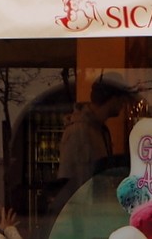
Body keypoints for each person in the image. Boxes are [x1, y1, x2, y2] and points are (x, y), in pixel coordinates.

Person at [56, 74, 137, 204]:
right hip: (84, 212)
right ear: (113, 98)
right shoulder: (78, 131)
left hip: (94, 210)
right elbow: (69, 182)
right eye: (122, 99)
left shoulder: (100, 130)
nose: (123, 104)